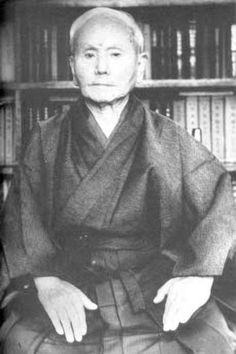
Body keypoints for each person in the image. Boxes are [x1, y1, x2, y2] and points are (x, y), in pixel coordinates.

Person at [1, 7, 236, 354]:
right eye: (89, 54)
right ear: (72, 66)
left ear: (139, 66)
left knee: (213, 346)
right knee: (22, 343)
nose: (102, 67)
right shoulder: (45, 139)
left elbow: (221, 205)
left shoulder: (170, 139)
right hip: (72, 285)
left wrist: (199, 277)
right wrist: (48, 283)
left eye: (115, 54)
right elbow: (24, 220)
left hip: (153, 287)